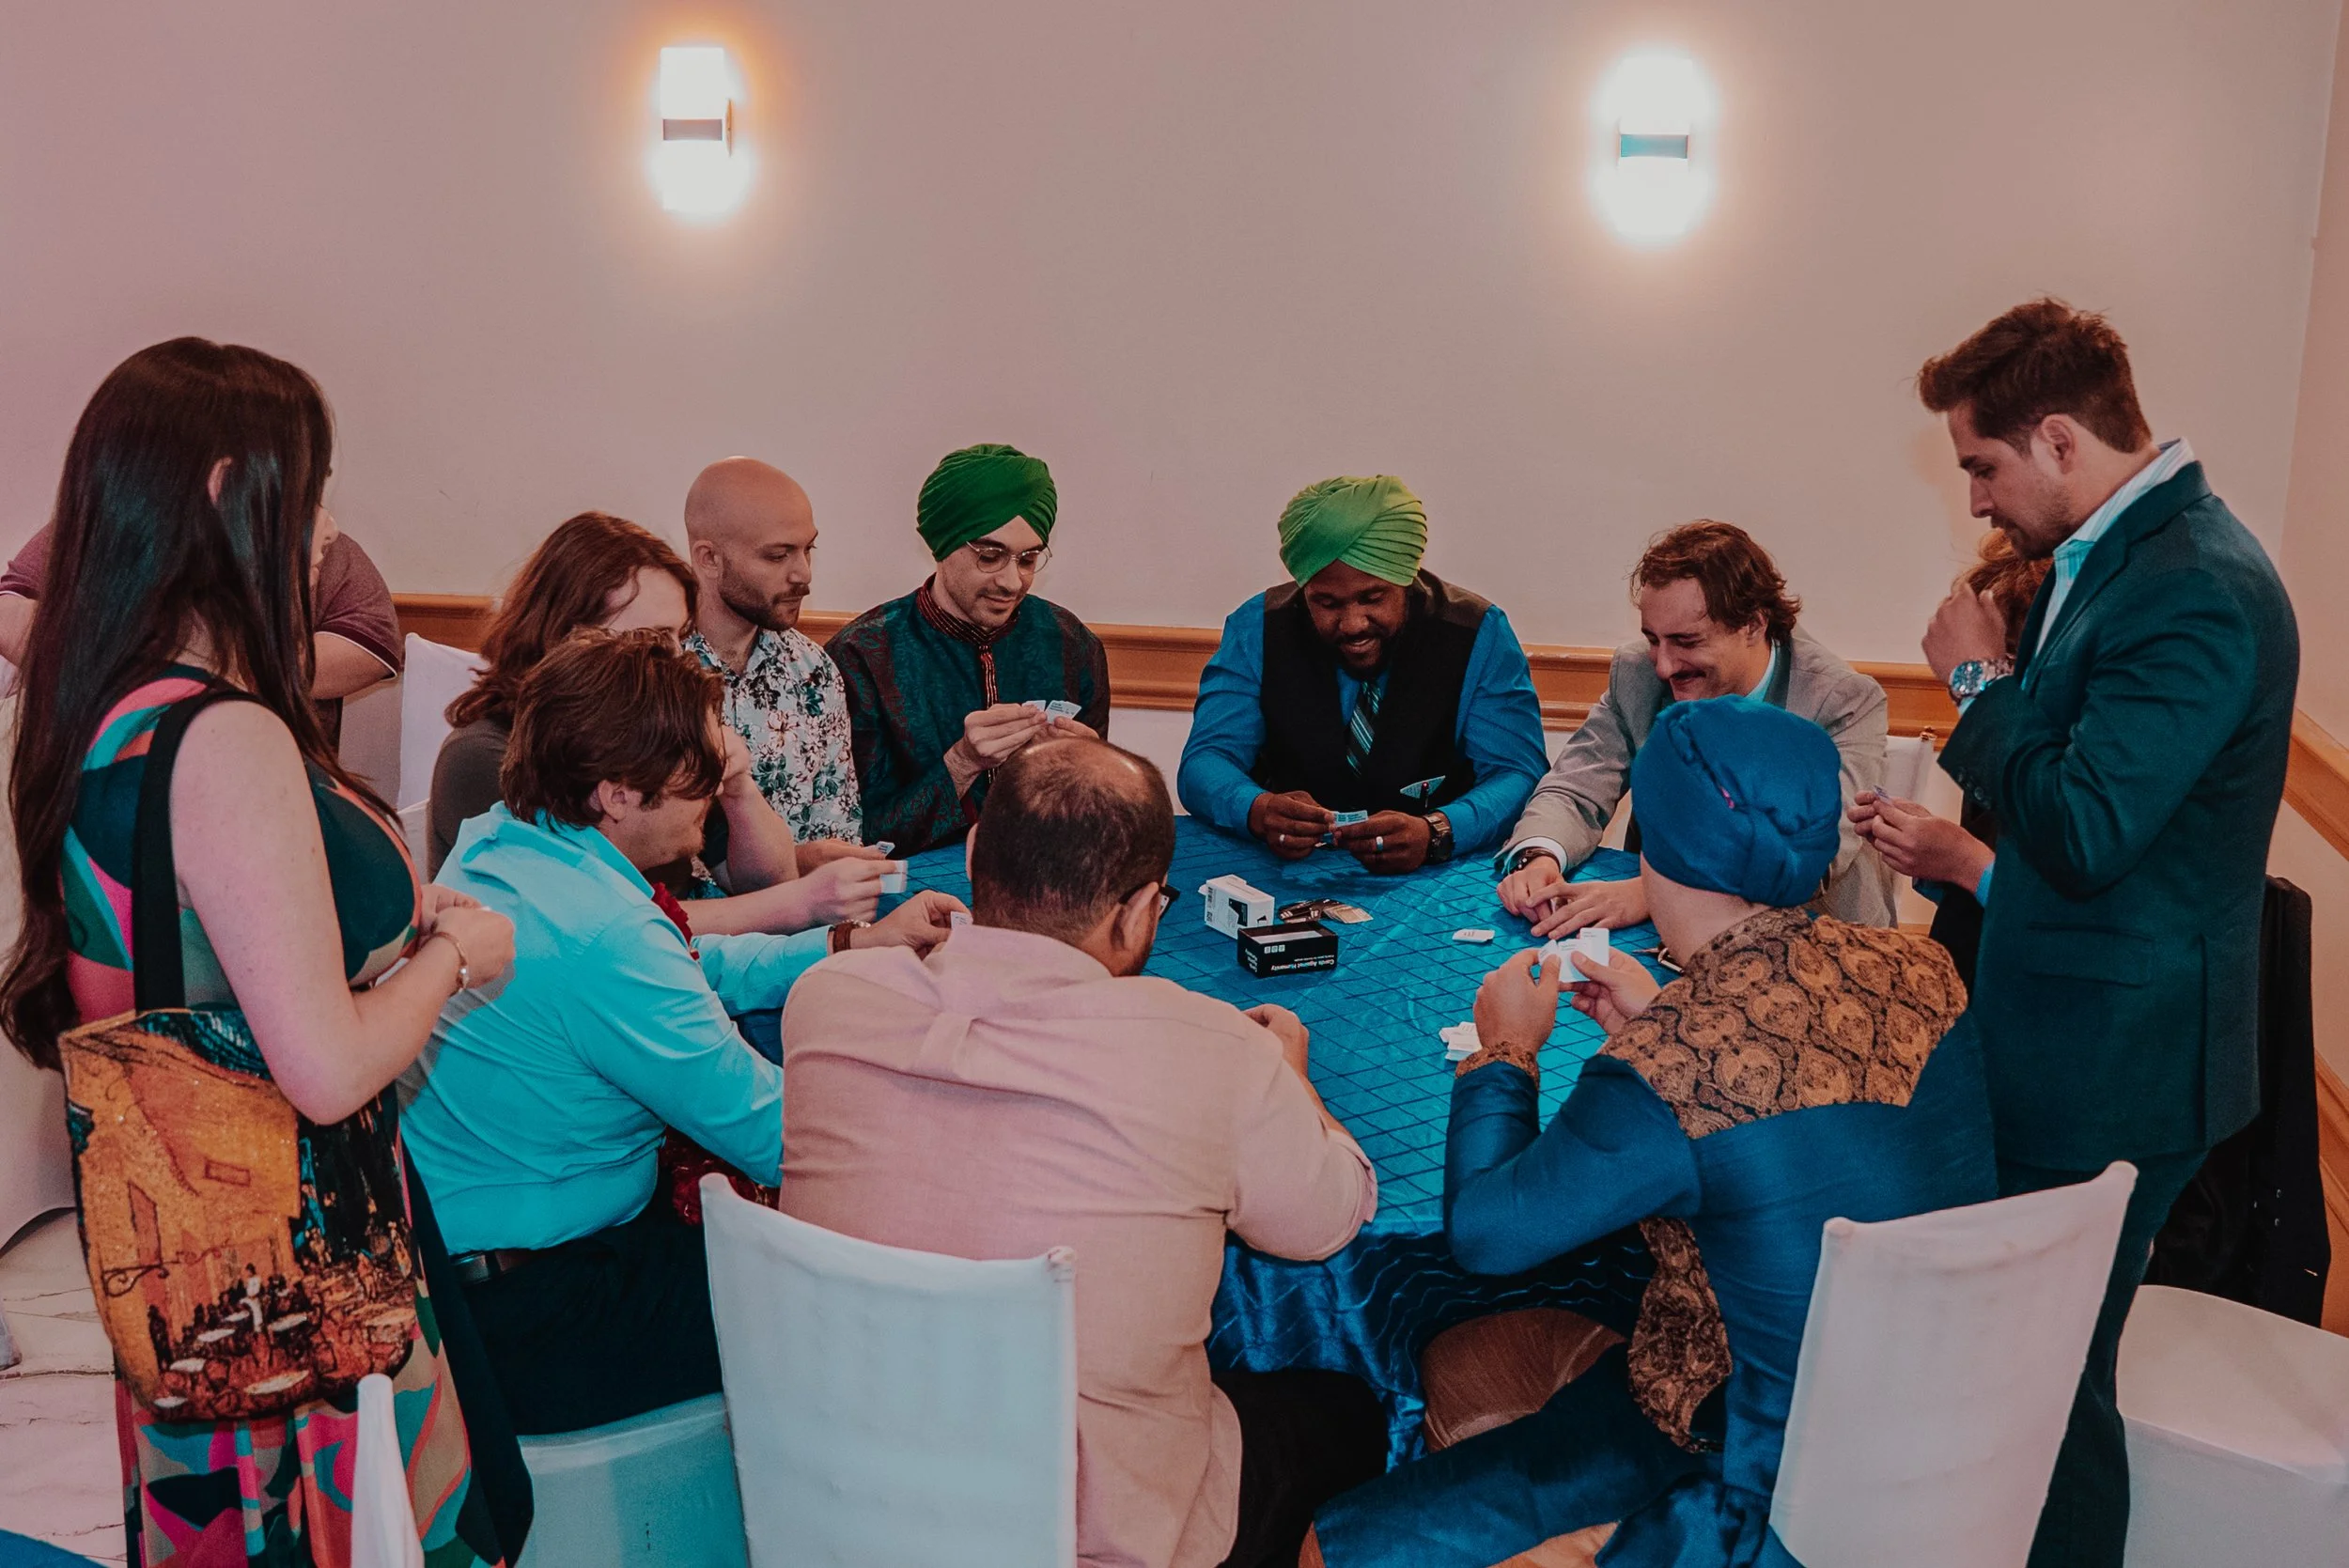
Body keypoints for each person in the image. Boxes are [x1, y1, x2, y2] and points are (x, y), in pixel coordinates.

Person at [0, 337, 522, 1568]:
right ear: (237, 494)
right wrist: (453, 956)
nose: (329, 529)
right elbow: (326, 1068)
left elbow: (202, 976)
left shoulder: (104, 704)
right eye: (314, 487)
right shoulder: (218, 735)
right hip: (281, 1252)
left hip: (173, 1233)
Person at [1306, 698, 1997, 1568]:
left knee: (1337, 1544)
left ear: (1651, 845)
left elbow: (1487, 1235)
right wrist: (1664, 1013)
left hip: (1752, 1482)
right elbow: (1808, 1119)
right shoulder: (1923, 966)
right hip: (1940, 1442)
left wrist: (1505, 1049)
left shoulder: (1675, 1059)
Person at [781, 737, 1385, 1568]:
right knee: (1349, 1409)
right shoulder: (1206, 1049)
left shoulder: (827, 1001)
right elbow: (1328, 1217)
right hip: (1090, 1538)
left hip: (853, 1501)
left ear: (968, 858)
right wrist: (1292, 1076)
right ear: (1142, 911)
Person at [1910, 298, 2297, 1567]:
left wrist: (1979, 682)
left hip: (2117, 1065)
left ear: (2061, 439)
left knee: (2050, 1394)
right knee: (2024, 1375)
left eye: (1982, 463)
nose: (1974, 498)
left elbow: (2080, 828)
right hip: (2070, 1030)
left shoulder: (2199, 587)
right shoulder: (2130, 556)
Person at [400, 629, 961, 1434]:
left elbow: (685, 959)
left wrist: (844, 944)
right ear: (618, 793)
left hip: (460, 1265)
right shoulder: (605, 935)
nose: (712, 791)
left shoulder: (504, 839)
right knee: (871, 1289)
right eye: (697, 775)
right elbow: (778, 1135)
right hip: (538, 1311)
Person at [428, 511, 888, 936]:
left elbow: (760, 880)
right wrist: (797, 906)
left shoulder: (650, 732)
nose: (672, 656)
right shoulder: (486, 754)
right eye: (647, 637)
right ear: (566, 633)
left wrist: (739, 787)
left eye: (678, 635)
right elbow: (601, 922)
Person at [1497, 521, 1895, 932]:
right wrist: (1540, 855)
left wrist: (1650, 892)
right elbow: (1574, 788)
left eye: (1686, 642)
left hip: (1818, 941)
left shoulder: (1843, 700)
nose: (1664, 666)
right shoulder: (1637, 673)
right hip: (1668, 934)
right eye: (1653, 639)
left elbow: (1807, 859)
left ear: (1753, 626)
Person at [1176, 475, 1548, 873]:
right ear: (1304, 590)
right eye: (1326, 603)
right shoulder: (1257, 627)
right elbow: (1205, 759)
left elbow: (1517, 771)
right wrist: (1257, 809)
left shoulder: (1478, 633)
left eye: (1372, 598)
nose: (1353, 624)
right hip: (1283, 872)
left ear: (1404, 579)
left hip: (1436, 876)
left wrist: (1439, 829)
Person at [828, 442, 1110, 854]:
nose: (1012, 583)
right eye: (991, 556)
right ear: (943, 549)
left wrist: (1095, 769)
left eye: (1028, 559)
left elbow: (1098, 822)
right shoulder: (863, 656)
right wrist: (961, 764)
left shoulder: (1071, 643)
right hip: (911, 895)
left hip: (1048, 883)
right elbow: (858, 838)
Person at [0, 507, 403, 745]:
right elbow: (10, 604)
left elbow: (374, 643)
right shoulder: (106, 528)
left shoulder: (328, 552)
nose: (329, 524)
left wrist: (245, 666)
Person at [1848, 531, 2049, 984]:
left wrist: (1963, 860)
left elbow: (2077, 933)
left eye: (2004, 657)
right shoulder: (2014, 734)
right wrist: (1935, 858)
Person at [680, 457, 866, 862]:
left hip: (806, 916)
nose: (804, 574)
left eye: (808, 549)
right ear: (709, 558)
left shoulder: (813, 670)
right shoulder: (658, 666)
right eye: (778, 556)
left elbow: (838, 831)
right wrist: (789, 866)